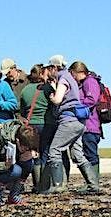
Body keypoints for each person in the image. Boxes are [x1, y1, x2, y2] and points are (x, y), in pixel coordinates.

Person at [42, 55, 99, 194]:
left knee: (54, 150)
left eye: (49, 69)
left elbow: (57, 100)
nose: (49, 72)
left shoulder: (63, 79)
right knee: (78, 154)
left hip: (68, 121)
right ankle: (93, 184)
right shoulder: (71, 78)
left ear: (54, 67)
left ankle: (58, 185)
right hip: (79, 122)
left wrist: (51, 95)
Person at [0, 120, 39, 205]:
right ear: (18, 141)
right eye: (26, 148)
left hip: (10, 162)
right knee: (16, 171)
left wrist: (29, 153)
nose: (26, 150)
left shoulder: (22, 135)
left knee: (29, 163)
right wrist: (6, 165)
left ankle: (14, 195)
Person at [70, 61, 104, 183]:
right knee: (87, 153)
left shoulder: (90, 82)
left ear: (79, 72)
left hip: (91, 125)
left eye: (73, 74)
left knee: (91, 154)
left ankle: (94, 182)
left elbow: (92, 100)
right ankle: (91, 182)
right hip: (88, 125)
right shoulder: (86, 82)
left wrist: (75, 105)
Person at [18, 64, 50, 191]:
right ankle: (43, 185)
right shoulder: (46, 89)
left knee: (33, 155)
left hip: (30, 124)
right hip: (45, 123)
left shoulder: (25, 90)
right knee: (45, 153)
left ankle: (36, 184)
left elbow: (21, 109)